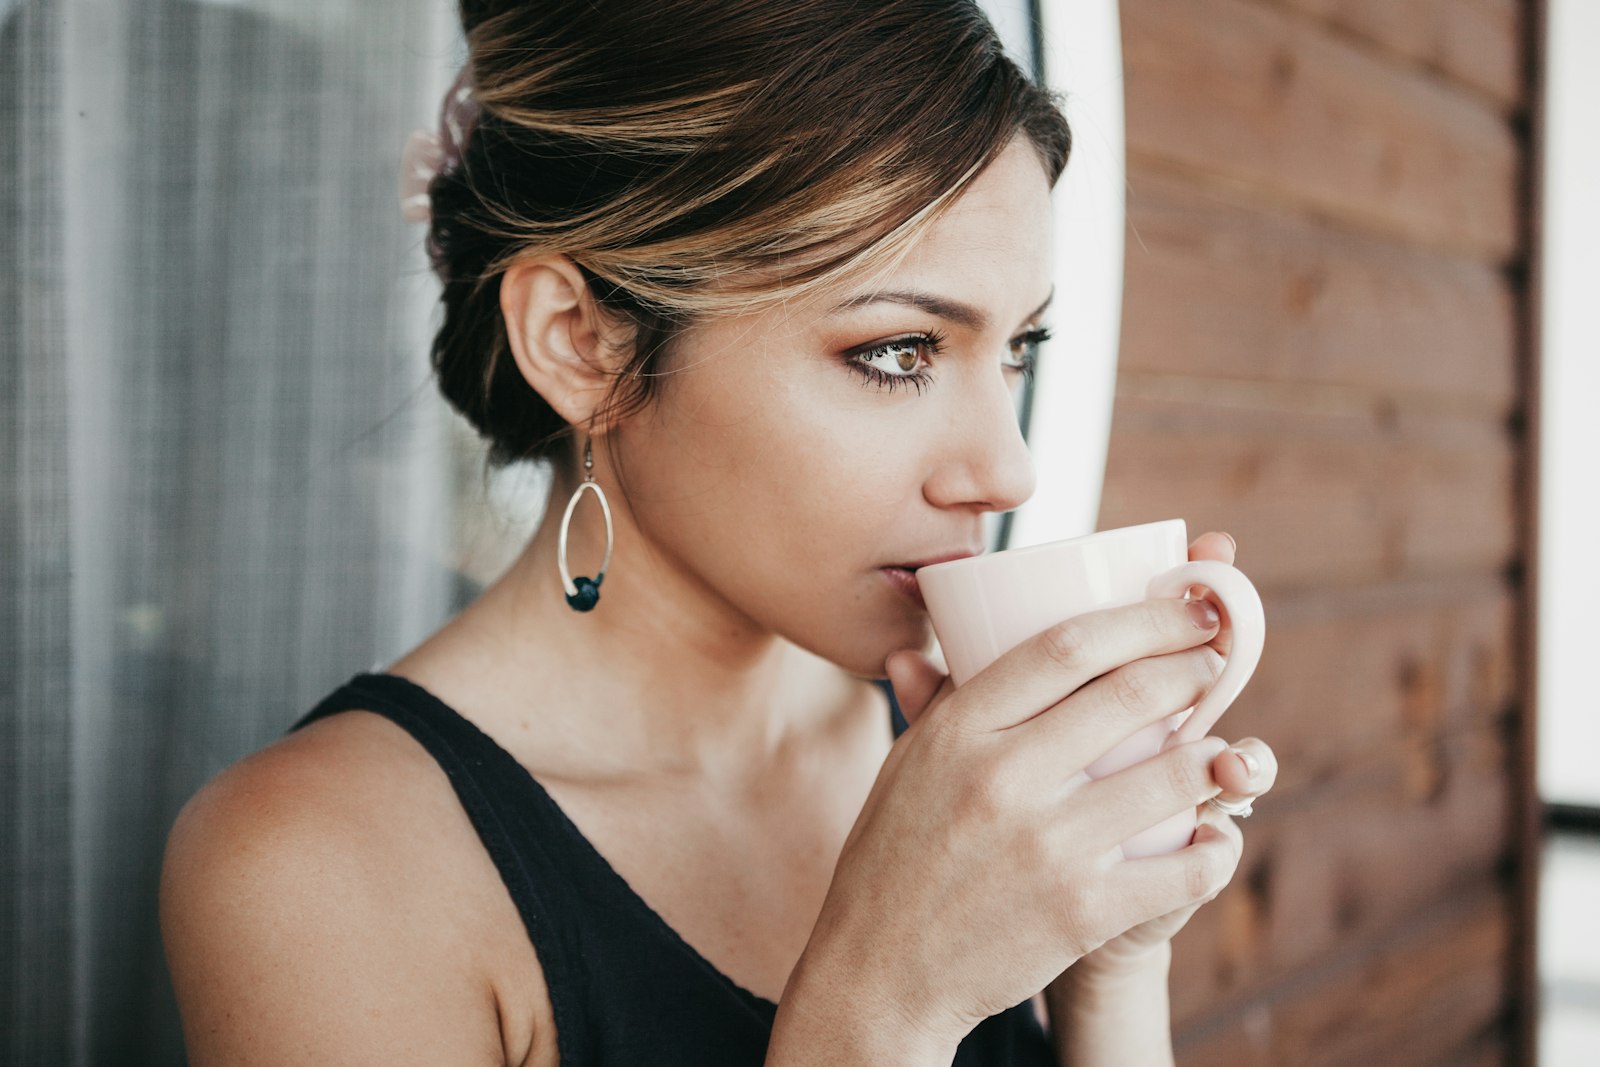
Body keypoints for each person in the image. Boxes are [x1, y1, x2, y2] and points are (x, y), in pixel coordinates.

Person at [159, 1, 1278, 1063]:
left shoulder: (956, 757)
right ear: (579, 343)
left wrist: (1114, 962)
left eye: (1016, 348)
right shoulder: (323, 866)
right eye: (897, 352)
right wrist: (884, 1004)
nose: (1006, 468)